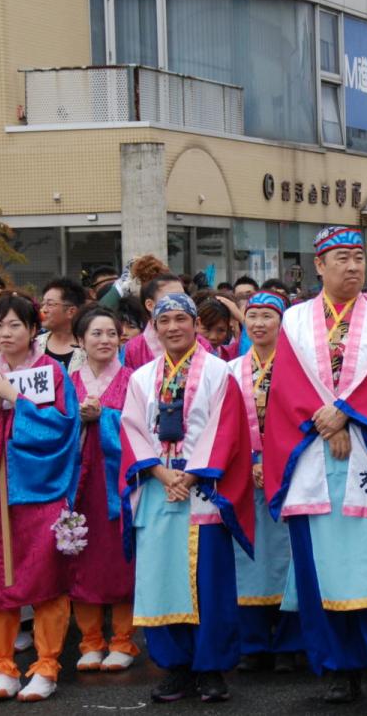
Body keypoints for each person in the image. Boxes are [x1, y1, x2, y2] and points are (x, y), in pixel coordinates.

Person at [263, 226, 367, 708]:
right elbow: (288, 386)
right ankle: (341, 668)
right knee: (322, 572)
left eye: (359, 257)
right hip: (312, 455)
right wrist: (330, 424)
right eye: (342, 257)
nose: (353, 266)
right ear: (319, 265)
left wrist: (347, 415)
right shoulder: (293, 320)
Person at [119, 292, 253, 704]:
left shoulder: (218, 372)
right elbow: (132, 429)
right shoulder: (141, 378)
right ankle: (175, 666)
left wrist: (191, 476)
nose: (173, 327)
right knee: (161, 580)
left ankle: (211, 668)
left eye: (181, 318)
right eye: (165, 321)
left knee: (208, 583)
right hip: (159, 491)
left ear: (196, 324)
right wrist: (161, 473)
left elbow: (226, 429)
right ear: (154, 328)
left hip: (204, 493)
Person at [0, 293, 82, 702]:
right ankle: (2, 666)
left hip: (37, 495)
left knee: (45, 580)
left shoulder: (51, 374)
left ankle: (46, 665)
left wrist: (16, 400)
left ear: (33, 331)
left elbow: (63, 428)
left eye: (15, 325)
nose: (5, 334)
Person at [226, 291, 303, 673]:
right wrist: (248, 464)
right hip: (244, 474)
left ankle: (291, 641)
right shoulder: (231, 370)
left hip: (288, 473)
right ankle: (253, 642)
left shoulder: (298, 368)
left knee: (291, 555)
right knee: (249, 557)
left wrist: (274, 463)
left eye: (267, 316)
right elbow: (223, 428)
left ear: (281, 322)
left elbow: (302, 423)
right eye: (252, 316)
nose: (258, 323)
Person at [67, 307, 139, 672]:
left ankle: (123, 640)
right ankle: (90, 641)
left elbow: (139, 430)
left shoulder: (132, 379)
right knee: (81, 559)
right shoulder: (68, 380)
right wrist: (74, 420)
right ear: (80, 340)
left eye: (111, 333)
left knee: (120, 561)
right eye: (96, 334)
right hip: (77, 485)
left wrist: (104, 418)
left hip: (117, 484)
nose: (105, 341)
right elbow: (55, 429)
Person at [123, 273, 187, 371]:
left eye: (183, 298)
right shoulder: (133, 348)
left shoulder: (199, 342)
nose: (179, 303)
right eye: (171, 299)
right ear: (150, 305)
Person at [37, 277, 87, 374]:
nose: (43, 310)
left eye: (50, 304)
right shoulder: (34, 345)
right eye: (42, 304)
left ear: (71, 311)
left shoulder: (88, 347)